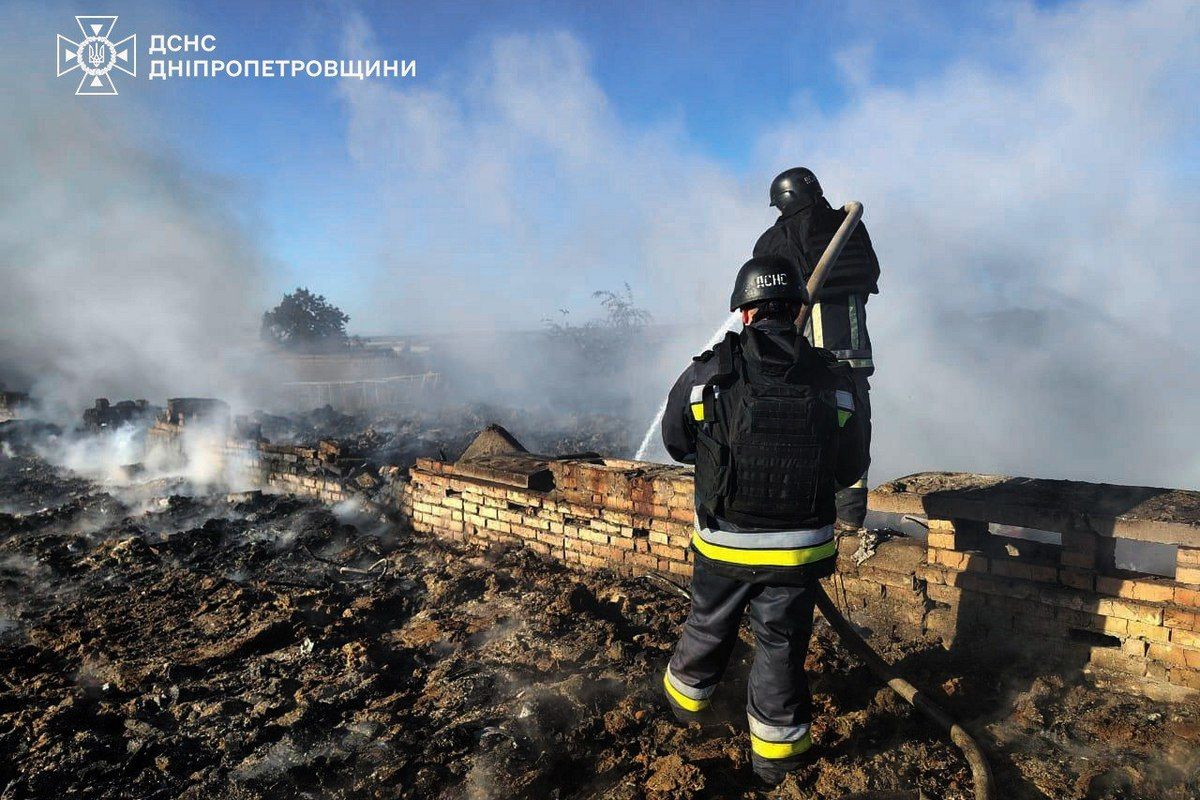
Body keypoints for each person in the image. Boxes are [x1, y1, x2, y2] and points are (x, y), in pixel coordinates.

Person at [660, 255, 870, 786]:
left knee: (708, 627)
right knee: (780, 648)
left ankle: (686, 713)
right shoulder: (836, 380)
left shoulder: (708, 373)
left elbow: (676, 443)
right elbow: (850, 466)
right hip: (799, 552)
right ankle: (776, 765)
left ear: (745, 313)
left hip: (725, 545)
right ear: (800, 309)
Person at [753, 167, 879, 531]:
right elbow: (871, 274)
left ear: (785, 200)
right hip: (854, 348)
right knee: (854, 423)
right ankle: (852, 516)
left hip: (807, 351)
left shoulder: (779, 236)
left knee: (802, 423)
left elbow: (767, 293)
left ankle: (802, 510)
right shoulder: (849, 226)